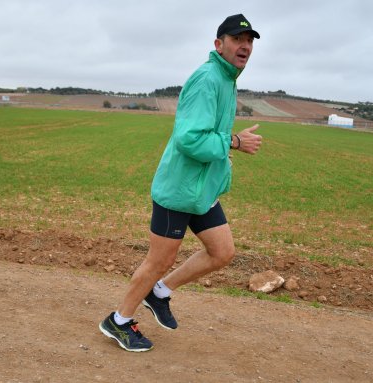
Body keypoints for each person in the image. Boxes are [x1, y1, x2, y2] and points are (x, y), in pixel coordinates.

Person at [99, 13, 263, 352]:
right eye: (236, 39)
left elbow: (206, 135)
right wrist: (232, 142)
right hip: (178, 191)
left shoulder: (226, 80)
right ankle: (118, 320)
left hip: (201, 191)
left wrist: (223, 153)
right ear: (219, 45)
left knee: (222, 251)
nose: (244, 45)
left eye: (248, 41)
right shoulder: (207, 79)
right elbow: (189, 138)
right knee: (157, 261)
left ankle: (160, 293)